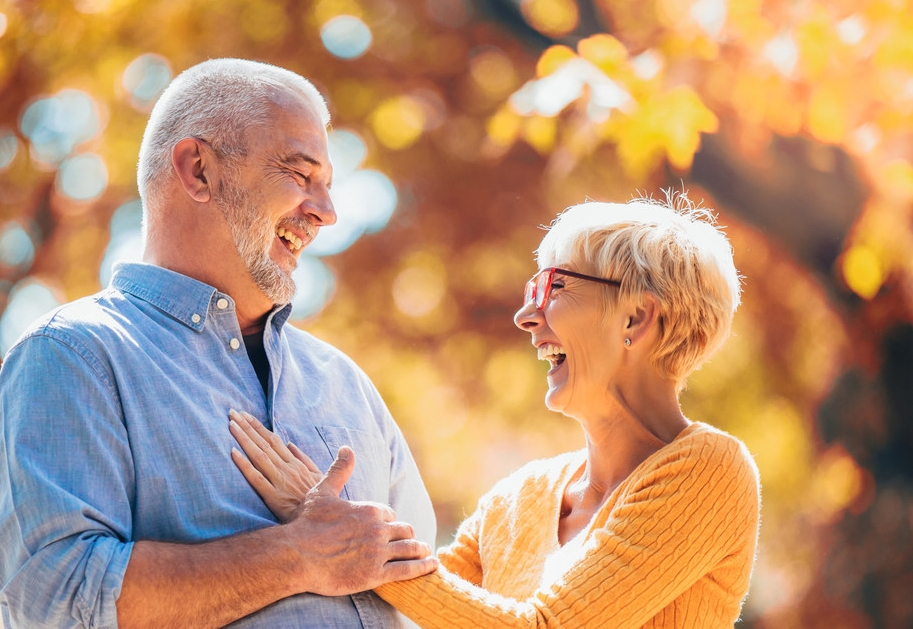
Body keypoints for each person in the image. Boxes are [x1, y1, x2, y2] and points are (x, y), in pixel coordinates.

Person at [0, 58, 438, 629]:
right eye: (300, 175)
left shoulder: (347, 383)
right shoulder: (73, 357)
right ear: (198, 171)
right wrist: (296, 557)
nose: (326, 212)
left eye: (327, 186)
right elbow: (57, 604)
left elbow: (430, 595)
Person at [228, 196, 762, 627]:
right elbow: (407, 610)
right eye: (533, 289)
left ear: (637, 318)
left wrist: (354, 541)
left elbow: (546, 627)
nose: (526, 315)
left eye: (554, 286)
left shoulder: (710, 469)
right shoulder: (517, 499)